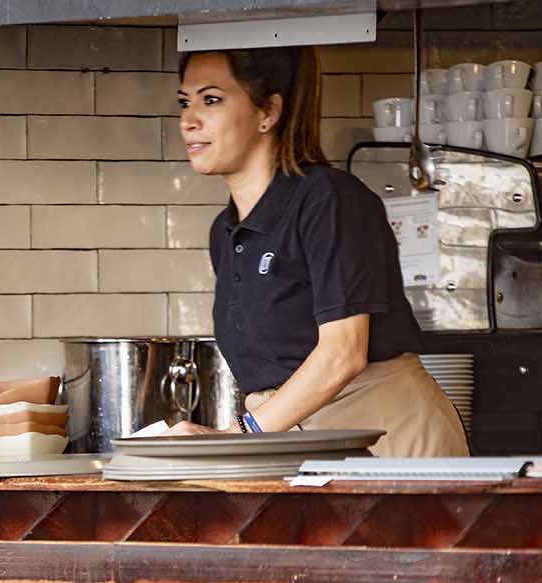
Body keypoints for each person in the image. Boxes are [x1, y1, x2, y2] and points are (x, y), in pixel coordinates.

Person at [172, 46, 468, 457]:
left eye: (212, 100)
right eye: (185, 102)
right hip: (295, 444)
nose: (189, 120)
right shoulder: (225, 232)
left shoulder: (329, 200)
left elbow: (343, 352)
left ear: (268, 112)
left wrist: (240, 435)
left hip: (386, 443)